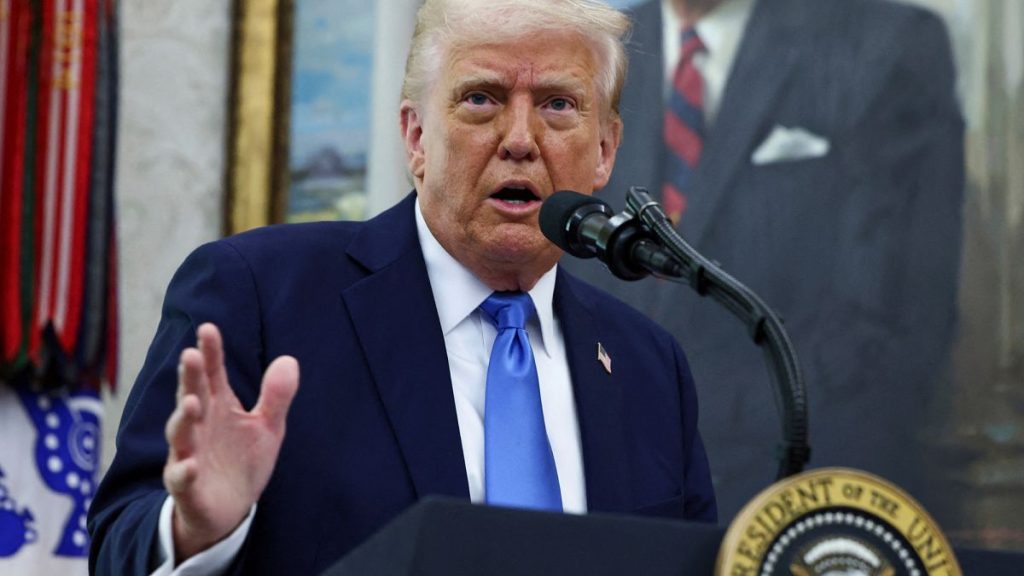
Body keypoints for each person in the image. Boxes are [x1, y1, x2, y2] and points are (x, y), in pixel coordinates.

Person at [87, 1, 718, 574]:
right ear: (416, 136)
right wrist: (193, 530)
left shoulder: (649, 366)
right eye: (481, 99)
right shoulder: (258, 295)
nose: (521, 140)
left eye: (558, 104)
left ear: (605, 149)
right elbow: (118, 544)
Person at [562, 0, 964, 521]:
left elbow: (897, 327)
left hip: (799, 490)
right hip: (606, 497)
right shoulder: (587, 51)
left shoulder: (888, 44)